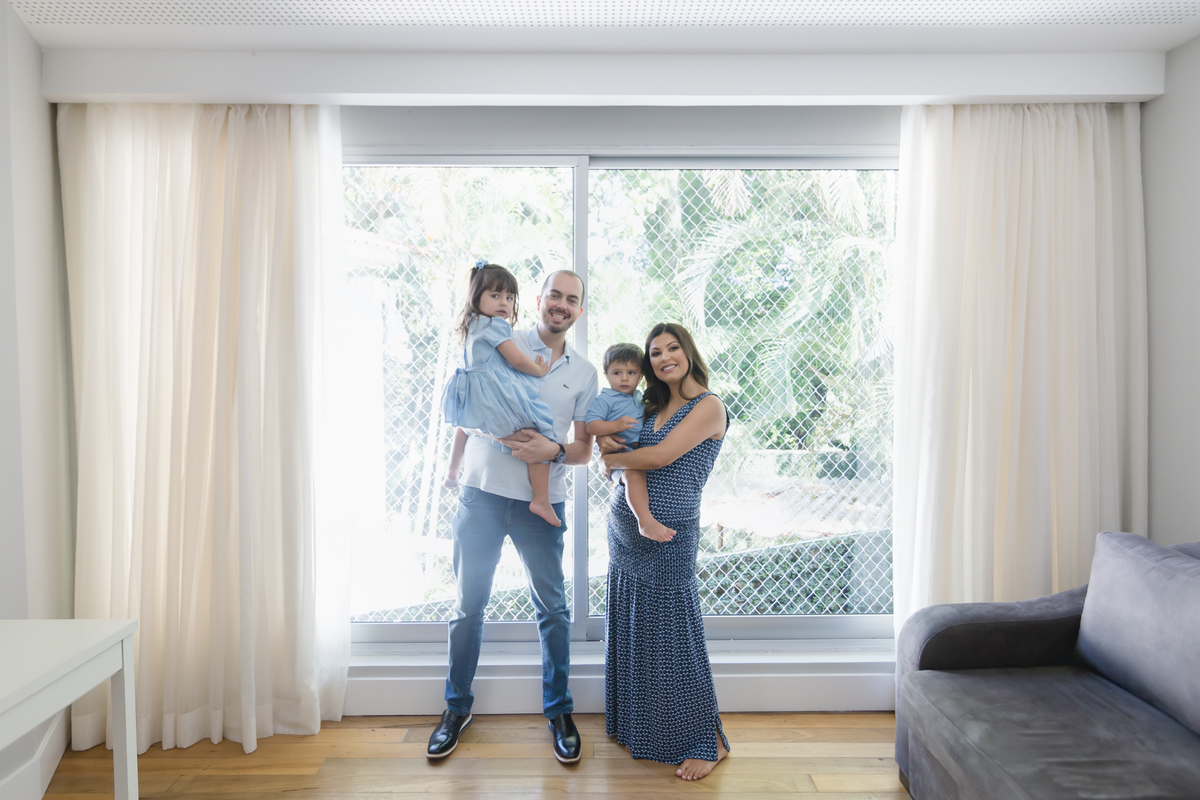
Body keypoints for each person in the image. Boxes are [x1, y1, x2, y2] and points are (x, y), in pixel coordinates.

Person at [429, 269, 598, 764]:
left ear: (578, 311)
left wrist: (554, 449)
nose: (561, 305)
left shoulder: (584, 374)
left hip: (541, 505)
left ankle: (559, 712)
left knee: (553, 610)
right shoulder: (500, 339)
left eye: (572, 300)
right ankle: (455, 709)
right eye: (554, 296)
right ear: (538, 300)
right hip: (480, 497)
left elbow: (584, 450)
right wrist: (456, 467)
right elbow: (465, 405)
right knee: (467, 608)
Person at [598, 322, 731, 781]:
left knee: (676, 636)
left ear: (689, 351)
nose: (663, 357)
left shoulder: (708, 406)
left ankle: (706, 741)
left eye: (673, 348)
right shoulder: (650, 404)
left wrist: (613, 459)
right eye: (655, 352)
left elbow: (655, 459)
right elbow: (620, 459)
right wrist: (614, 463)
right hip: (625, 536)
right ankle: (642, 727)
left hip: (669, 535)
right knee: (638, 631)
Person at [442, 262, 559, 526]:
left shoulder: (472, 324)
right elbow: (516, 360)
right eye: (495, 296)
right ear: (476, 297)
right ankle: (541, 498)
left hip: (471, 393)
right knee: (537, 431)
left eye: (509, 297)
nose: (503, 303)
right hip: (492, 393)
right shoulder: (494, 326)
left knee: (464, 427)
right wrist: (538, 370)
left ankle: (451, 471)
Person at [585, 343, 673, 542]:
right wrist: (614, 426)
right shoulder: (605, 399)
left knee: (638, 473)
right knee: (633, 474)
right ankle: (644, 521)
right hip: (619, 455)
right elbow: (591, 425)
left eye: (631, 372)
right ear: (606, 375)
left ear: (641, 376)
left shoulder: (639, 398)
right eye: (617, 372)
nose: (624, 378)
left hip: (637, 453)